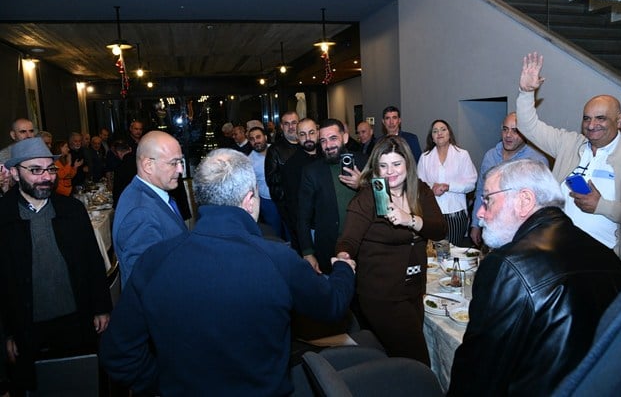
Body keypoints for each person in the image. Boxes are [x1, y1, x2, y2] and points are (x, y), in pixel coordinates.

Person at [99, 148, 356, 396]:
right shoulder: (278, 260)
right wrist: (343, 267)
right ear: (249, 200)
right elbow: (332, 304)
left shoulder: (154, 261)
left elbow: (118, 354)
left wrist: (163, 383)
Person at [447, 159, 621, 396]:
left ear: (524, 200)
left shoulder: (508, 264)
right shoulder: (608, 257)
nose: (480, 213)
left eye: (488, 199)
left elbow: (478, 371)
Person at [0, 138, 111, 393]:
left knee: (80, 384)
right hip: (26, 327)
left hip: (75, 321)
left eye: (50, 169)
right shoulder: (4, 217)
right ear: (15, 173)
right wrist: (6, 334)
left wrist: (101, 307)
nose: (46, 177)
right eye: (35, 170)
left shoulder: (72, 209)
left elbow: (93, 262)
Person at [336, 136, 447, 364]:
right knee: (417, 360)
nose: (390, 172)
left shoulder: (420, 191)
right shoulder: (369, 197)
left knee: (401, 358)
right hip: (381, 293)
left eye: (396, 164)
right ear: (375, 168)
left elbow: (440, 229)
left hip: (414, 288)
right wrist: (343, 257)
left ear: (408, 164)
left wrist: (410, 220)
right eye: (383, 166)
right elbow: (348, 240)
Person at [518, 52, 621, 270]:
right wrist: (526, 93)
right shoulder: (569, 144)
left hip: (606, 262)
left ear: (619, 120)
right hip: (560, 251)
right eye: (587, 118)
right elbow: (528, 127)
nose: (591, 125)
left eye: (601, 118)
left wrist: (602, 206)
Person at [113, 131, 189, 287]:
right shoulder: (140, 213)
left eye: (180, 162)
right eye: (173, 163)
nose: (180, 169)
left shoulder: (144, 194)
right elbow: (147, 284)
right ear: (148, 165)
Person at [297, 119, 367, 274]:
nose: (328, 145)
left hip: (365, 246)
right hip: (329, 249)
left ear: (345, 138)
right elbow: (303, 216)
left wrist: (362, 185)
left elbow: (382, 201)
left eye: (333, 138)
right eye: (323, 141)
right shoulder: (312, 172)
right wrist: (307, 252)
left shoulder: (365, 162)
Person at [469, 112, 548, 246]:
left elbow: (542, 203)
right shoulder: (490, 156)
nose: (508, 135)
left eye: (515, 131)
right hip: (490, 228)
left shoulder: (537, 161)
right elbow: (481, 191)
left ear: (526, 133)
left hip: (521, 234)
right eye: (505, 129)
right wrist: (475, 224)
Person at [417, 119, 477, 245]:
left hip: (456, 213)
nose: (439, 133)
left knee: (454, 251)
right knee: (433, 252)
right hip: (431, 213)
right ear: (432, 138)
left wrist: (448, 187)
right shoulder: (425, 157)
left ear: (449, 134)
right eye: (435, 131)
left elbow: (471, 183)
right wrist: (432, 187)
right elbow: (419, 184)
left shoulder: (462, 155)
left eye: (443, 129)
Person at [280, 117, 320, 251]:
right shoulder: (291, 166)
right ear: (297, 137)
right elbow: (292, 206)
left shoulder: (328, 157)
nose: (308, 138)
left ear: (318, 133)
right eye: (302, 134)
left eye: (311, 132)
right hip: (309, 228)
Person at [265, 111, 301, 239]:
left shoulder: (308, 144)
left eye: (294, 123)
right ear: (281, 126)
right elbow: (271, 178)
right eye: (287, 124)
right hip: (288, 205)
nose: (291, 127)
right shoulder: (274, 150)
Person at [247, 126, 283, 237]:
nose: (256, 141)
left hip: (285, 197)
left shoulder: (277, 150)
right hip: (268, 202)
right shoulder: (249, 161)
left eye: (258, 137)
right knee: (274, 232)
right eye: (252, 139)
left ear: (265, 137)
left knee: (291, 229)